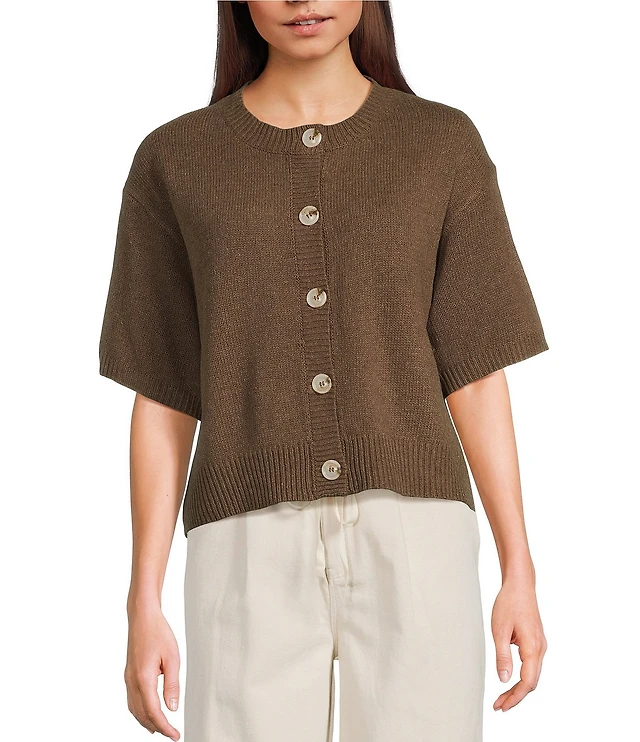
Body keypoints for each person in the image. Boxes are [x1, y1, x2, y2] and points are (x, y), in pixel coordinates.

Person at [98, 2, 549, 740]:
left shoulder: (440, 143)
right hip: (244, 538)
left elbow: (474, 374)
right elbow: (164, 392)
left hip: (416, 532)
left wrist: (518, 570)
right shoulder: (176, 159)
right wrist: (142, 603)